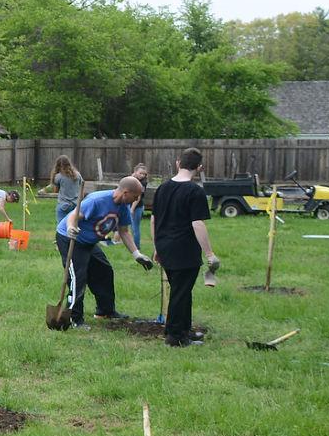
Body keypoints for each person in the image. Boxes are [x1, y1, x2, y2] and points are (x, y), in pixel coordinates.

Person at [55, 176, 152, 326]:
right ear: (126, 192)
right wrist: (70, 228)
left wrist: (136, 254)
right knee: (78, 278)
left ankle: (105, 311)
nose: (137, 199)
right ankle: (74, 318)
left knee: (104, 271)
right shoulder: (97, 200)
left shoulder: (123, 207)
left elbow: (124, 232)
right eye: (136, 196)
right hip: (71, 239)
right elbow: (74, 215)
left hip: (89, 242)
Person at [151, 148, 220, 347]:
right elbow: (197, 224)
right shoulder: (195, 191)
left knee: (182, 290)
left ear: (177, 163)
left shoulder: (162, 188)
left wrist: (157, 246)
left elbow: (154, 220)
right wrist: (210, 253)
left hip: (165, 247)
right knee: (180, 292)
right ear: (199, 167)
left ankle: (183, 330)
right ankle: (175, 338)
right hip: (184, 250)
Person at [50, 155, 83, 225]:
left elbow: (55, 191)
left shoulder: (58, 176)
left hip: (63, 205)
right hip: (76, 205)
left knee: (61, 227)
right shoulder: (78, 175)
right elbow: (82, 187)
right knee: (74, 226)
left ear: (58, 166)